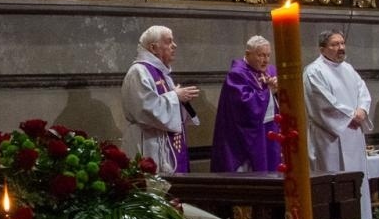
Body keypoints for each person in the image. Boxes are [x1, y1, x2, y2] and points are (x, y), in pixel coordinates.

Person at [304, 30, 373, 218]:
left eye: (342, 43)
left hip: (354, 135)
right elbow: (323, 103)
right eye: (335, 44)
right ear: (322, 49)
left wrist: (362, 110)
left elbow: (363, 92)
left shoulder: (348, 69)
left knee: (357, 182)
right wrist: (351, 116)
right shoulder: (314, 72)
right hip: (330, 138)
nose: (341, 48)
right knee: (334, 184)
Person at [120, 26, 199, 174]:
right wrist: (175, 96)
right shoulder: (139, 72)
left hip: (162, 140)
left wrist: (179, 99)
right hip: (148, 142)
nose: (174, 46)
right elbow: (145, 108)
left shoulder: (161, 72)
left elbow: (165, 103)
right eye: (169, 42)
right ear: (153, 48)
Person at [210, 35, 280, 173]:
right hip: (244, 138)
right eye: (261, 55)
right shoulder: (237, 74)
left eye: (268, 55)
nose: (266, 60)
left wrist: (278, 90)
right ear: (248, 54)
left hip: (268, 131)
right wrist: (269, 91)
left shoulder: (271, 71)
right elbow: (246, 107)